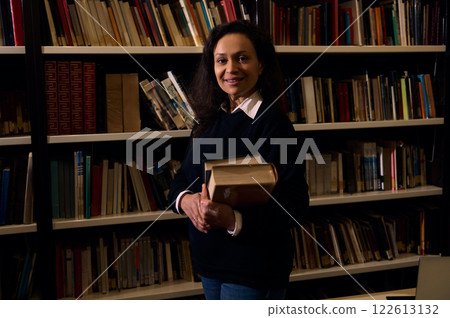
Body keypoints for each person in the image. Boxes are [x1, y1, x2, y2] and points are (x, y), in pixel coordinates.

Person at [168, 20, 309, 300]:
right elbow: (182, 180)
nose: (231, 69)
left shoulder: (274, 125)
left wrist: (232, 219)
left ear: (262, 65)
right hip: (208, 264)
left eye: (242, 58)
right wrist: (187, 201)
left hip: (254, 268)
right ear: (213, 67)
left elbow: (295, 205)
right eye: (221, 60)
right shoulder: (207, 122)